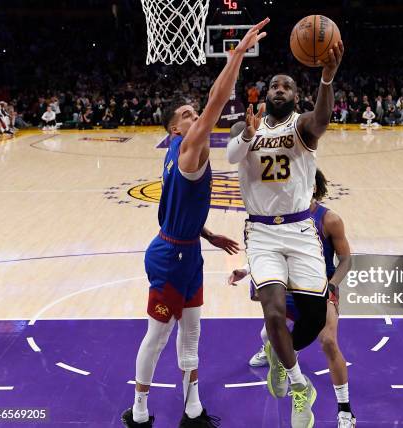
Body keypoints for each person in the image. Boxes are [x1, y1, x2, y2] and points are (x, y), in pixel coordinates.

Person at [120, 18, 269, 428]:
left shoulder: (172, 152)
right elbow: (216, 102)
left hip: (186, 249)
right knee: (158, 336)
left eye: (193, 114)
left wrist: (204, 232)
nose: (195, 116)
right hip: (170, 256)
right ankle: (139, 411)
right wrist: (236, 54)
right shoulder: (189, 150)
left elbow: (166, 208)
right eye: (187, 115)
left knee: (192, 335)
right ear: (175, 128)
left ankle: (193, 409)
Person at [226, 40, 344, 427]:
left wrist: (327, 77)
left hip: (300, 229)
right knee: (273, 310)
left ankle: (281, 355)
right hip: (261, 232)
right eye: (274, 86)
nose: (280, 90)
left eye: (287, 86)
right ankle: (298, 385)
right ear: (264, 94)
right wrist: (246, 134)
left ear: (296, 96)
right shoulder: (247, 128)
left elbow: (323, 120)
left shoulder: (304, 126)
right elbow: (230, 154)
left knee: (313, 315)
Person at [228, 169, 356, 428]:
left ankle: (345, 411)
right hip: (286, 288)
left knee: (329, 342)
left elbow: (346, 259)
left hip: (318, 288)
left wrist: (332, 284)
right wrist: (246, 268)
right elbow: (270, 250)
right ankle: (273, 352)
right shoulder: (278, 215)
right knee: (269, 333)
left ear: (311, 187)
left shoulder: (329, 219)